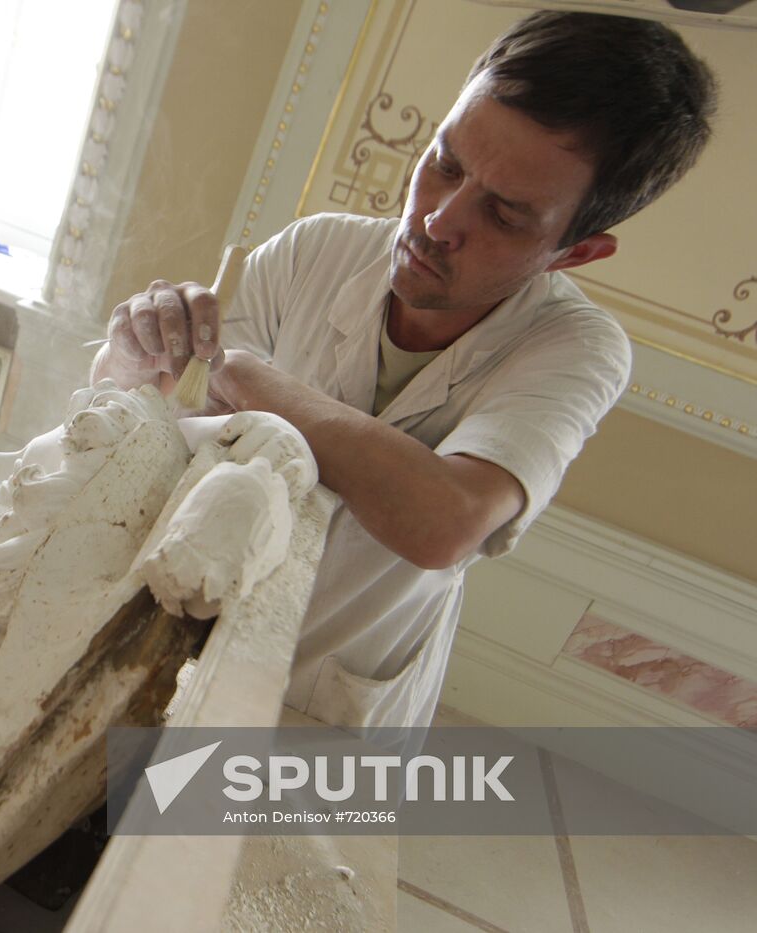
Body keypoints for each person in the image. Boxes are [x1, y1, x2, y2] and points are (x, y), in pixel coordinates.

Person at [91, 11, 717, 730]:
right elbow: (165, 427)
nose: (436, 221)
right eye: (445, 163)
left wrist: (247, 376)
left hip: (316, 695)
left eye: (505, 215)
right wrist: (135, 355)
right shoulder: (315, 251)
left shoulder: (576, 347)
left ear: (573, 253)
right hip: (160, 631)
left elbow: (444, 519)